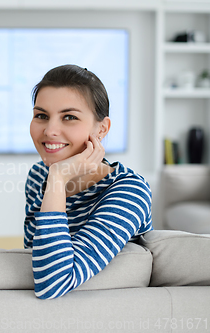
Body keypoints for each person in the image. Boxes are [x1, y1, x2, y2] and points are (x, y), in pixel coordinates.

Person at [24, 64, 152, 299]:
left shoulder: (129, 191)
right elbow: (34, 260)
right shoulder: (39, 176)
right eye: (41, 116)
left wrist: (58, 180)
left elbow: (52, 283)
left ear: (102, 129)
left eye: (69, 117)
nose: (50, 130)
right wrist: (55, 179)